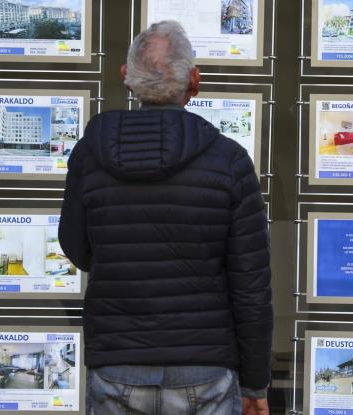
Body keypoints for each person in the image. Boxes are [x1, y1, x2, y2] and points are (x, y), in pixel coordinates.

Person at [59, 21, 272, 415]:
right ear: (195, 80)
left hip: (118, 363)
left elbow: (77, 247)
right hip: (205, 368)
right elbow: (251, 286)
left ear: (127, 79)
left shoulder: (90, 155)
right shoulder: (229, 161)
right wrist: (255, 382)